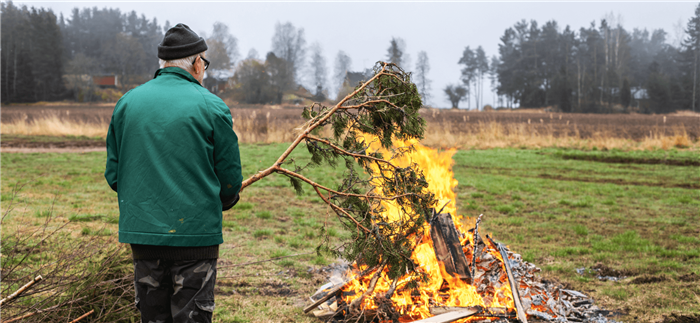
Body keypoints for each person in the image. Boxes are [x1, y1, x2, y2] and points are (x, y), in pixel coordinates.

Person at [105, 23, 242, 323]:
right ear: (196, 63)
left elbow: (114, 176)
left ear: (164, 64)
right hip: (196, 239)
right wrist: (224, 199)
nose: (203, 70)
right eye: (204, 63)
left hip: (143, 237)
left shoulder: (127, 103)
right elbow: (230, 180)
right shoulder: (213, 106)